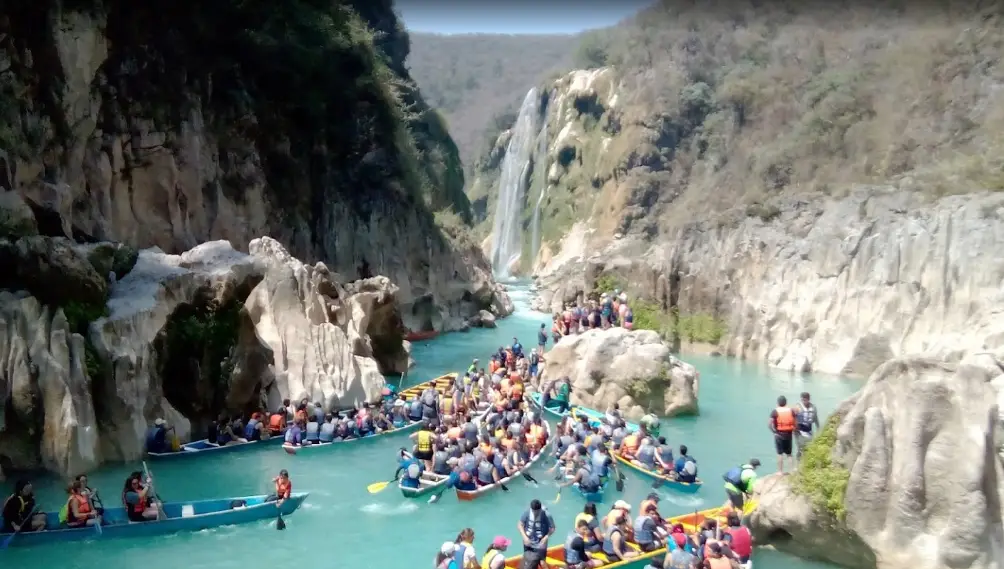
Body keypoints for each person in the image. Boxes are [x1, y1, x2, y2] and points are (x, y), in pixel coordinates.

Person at [518, 499, 555, 569]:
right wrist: (524, 537)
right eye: (533, 511)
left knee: (542, 562)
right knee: (528, 559)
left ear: (540, 509)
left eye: (537, 512)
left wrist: (546, 537)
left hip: (541, 542)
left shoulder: (547, 515)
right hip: (528, 541)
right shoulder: (527, 513)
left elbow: (553, 528)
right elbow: (520, 525)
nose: (535, 513)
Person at [769, 396, 796, 472]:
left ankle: (780, 472)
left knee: (779, 454)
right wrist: (793, 430)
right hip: (788, 434)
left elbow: (769, 424)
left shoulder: (775, 411)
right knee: (789, 454)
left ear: (778, 403)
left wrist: (774, 432)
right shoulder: (791, 410)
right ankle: (791, 470)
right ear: (786, 403)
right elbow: (795, 423)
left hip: (779, 434)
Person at [794, 391, 820, 460]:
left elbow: (815, 418)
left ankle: (806, 462)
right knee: (800, 448)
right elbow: (793, 418)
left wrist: (818, 428)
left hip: (809, 431)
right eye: (802, 400)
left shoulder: (813, 407)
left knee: (808, 448)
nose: (803, 401)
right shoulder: (797, 407)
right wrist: (794, 430)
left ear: (808, 399)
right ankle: (798, 463)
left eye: (805, 400)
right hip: (799, 431)